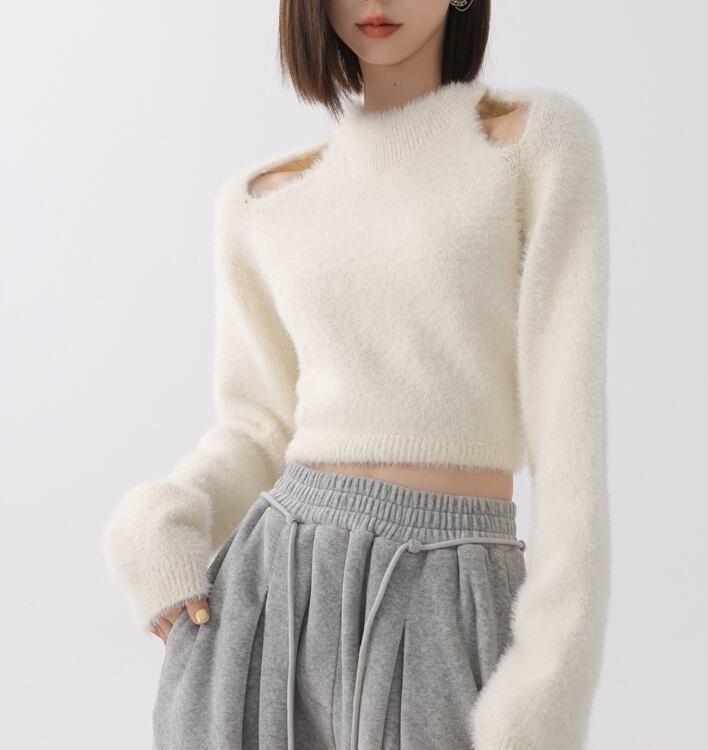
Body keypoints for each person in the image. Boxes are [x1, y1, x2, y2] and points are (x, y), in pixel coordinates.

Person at [101, 1, 612, 748]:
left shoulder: (534, 143)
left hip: (451, 582)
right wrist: (162, 517)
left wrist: (552, 679)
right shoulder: (262, 200)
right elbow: (258, 428)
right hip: (270, 589)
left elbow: (572, 440)